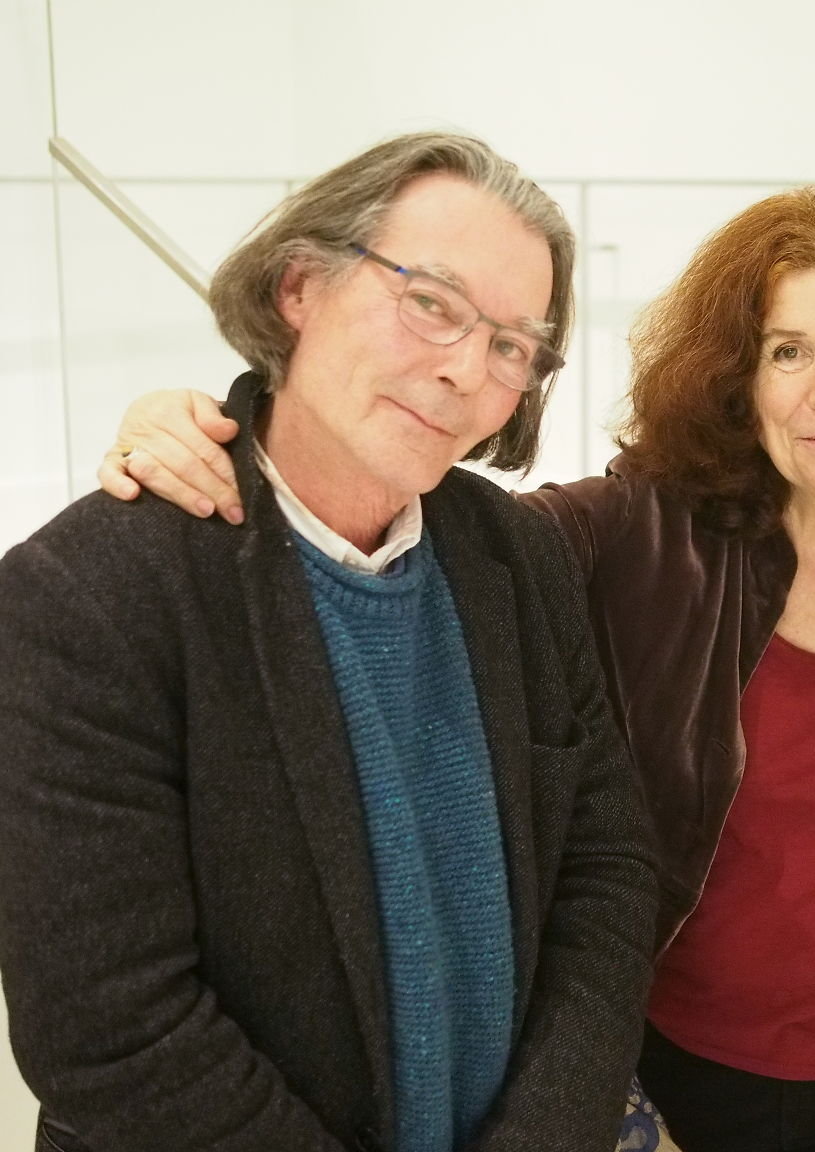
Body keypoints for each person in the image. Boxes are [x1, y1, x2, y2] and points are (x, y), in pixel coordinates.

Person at [96, 186, 815, 1152]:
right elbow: (394, 518)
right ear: (736, 378)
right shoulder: (634, 532)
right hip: (676, 1079)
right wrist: (201, 426)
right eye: (787, 351)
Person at [0, 132, 657, 1152]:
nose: (464, 369)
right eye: (430, 302)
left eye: (510, 346)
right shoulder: (90, 593)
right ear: (300, 285)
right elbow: (112, 1033)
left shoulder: (519, 557)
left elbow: (606, 869)